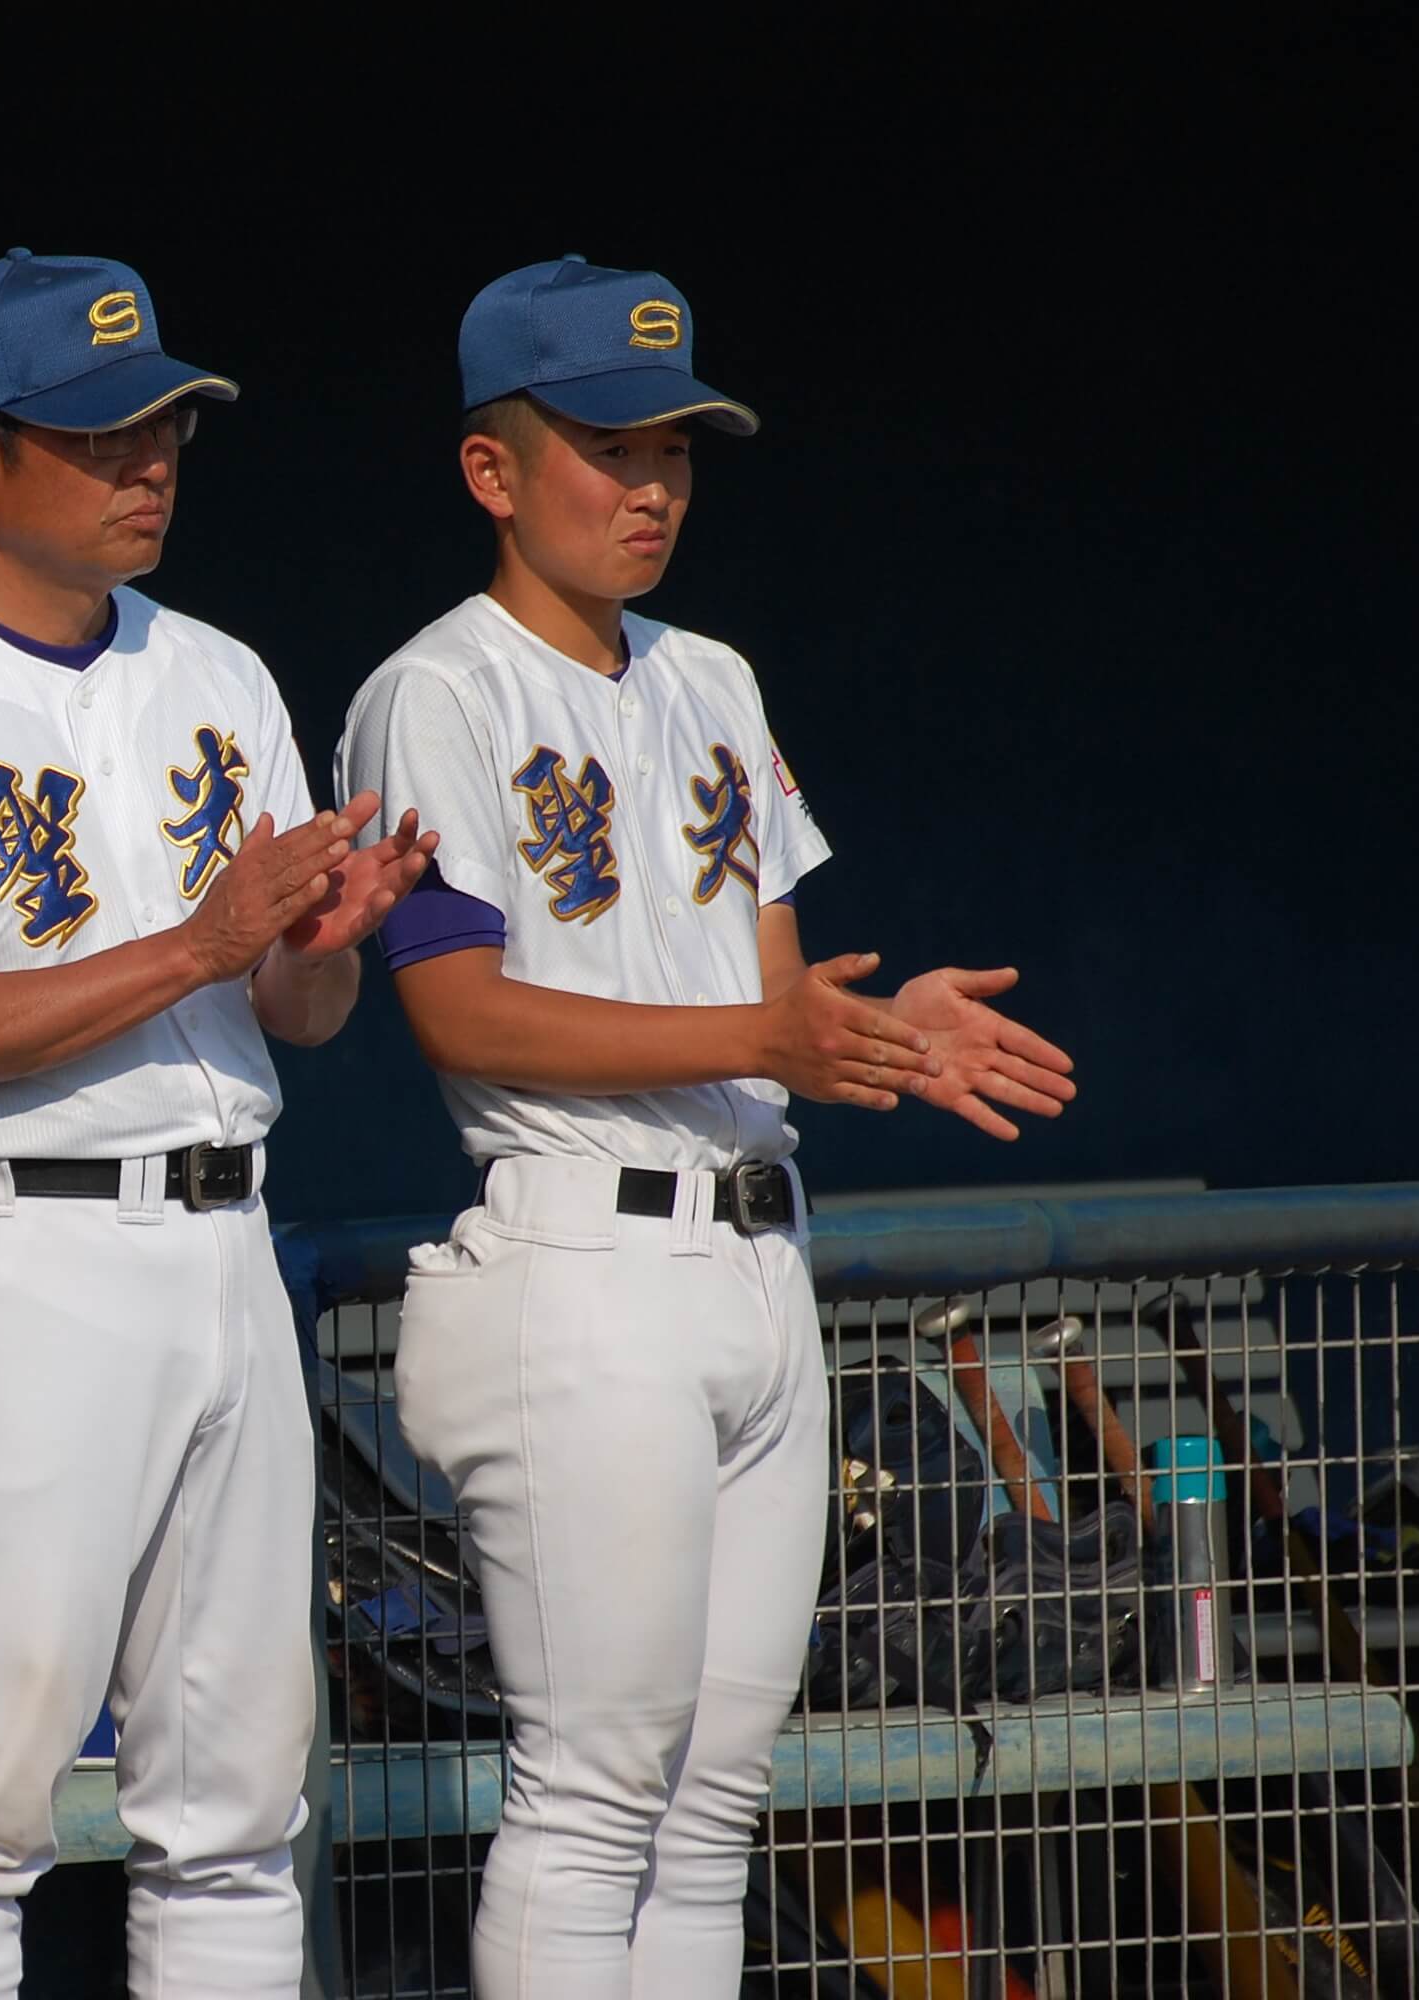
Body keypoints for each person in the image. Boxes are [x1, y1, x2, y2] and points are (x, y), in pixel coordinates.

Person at [335, 255, 1081, 2000]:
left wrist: (875, 1033)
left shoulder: (713, 676)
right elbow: (456, 1009)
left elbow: (770, 998)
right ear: (493, 469)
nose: (652, 483)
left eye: (676, 446)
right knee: (595, 1790)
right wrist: (775, 1026)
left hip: (758, 1259)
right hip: (584, 1255)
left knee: (714, 1800)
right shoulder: (436, 691)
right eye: (607, 445)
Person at [0, 248, 432, 2000]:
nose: (148, 462)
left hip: (225, 1239)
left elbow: (290, 1014)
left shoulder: (222, 672)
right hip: (19, 1247)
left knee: (242, 1809)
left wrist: (323, 951)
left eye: (164, 425)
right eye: (100, 434)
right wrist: (209, 939)